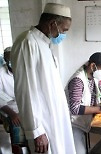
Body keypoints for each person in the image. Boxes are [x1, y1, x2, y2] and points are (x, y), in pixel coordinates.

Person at [11, 3, 76, 154]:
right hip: (43, 125)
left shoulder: (45, 45)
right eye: (64, 30)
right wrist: (36, 131)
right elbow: (26, 90)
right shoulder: (27, 42)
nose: (63, 35)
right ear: (52, 23)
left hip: (56, 119)